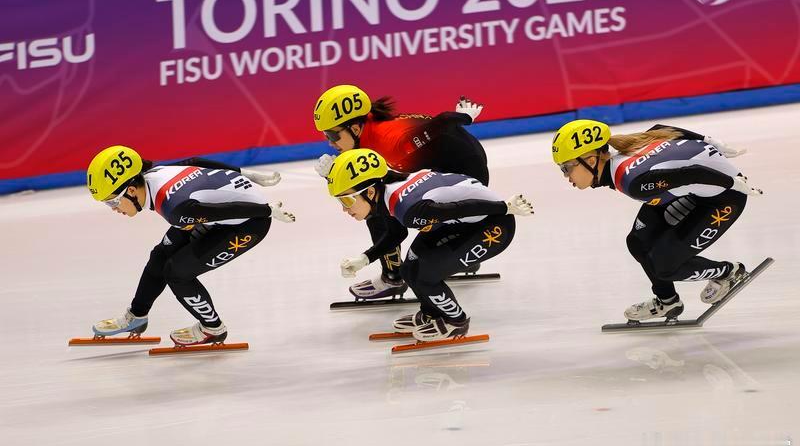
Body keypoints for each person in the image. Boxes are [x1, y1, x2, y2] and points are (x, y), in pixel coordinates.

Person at [551, 120, 761, 321]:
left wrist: (732, 183)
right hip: (694, 191)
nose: (565, 175)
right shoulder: (627, 153)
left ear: (590, 160)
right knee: (638, 241)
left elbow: (692, 173)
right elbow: (661, 128)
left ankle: (730, 272)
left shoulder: (633, 182)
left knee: (665, 267)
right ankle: (667, 301)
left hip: (724, 197)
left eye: (566, 167)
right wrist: (709, 140)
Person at [86, 145, 295, 345]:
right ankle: (137, 316)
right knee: (160, 255)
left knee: (176, 272)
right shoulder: (155, 173)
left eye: (112, 202)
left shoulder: (174, 208)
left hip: (249, 222)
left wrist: (265, 210)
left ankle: (212, 329)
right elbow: (195, 162)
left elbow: (223, 212)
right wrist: (245, 173)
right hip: (213, 209)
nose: (113, 208)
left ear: (131, 190)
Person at [326, 148, 533, 341]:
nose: (345, 210)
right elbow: (395, 234)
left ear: (369, 192)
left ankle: (456, 321)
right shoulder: (389, 192)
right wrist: (364, 259)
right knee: (409, 268)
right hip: (464, 222)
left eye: (347, 201)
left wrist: (503, 207)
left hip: (494, 225)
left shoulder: (408, 208)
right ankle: (431, 313)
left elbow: (457, 209)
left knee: (426, 275)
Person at [312, 84, 490, 300]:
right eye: (325, 136)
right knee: (378, 200)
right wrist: (332, 172)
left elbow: (440, 123)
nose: (330, 143)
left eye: (333, 135)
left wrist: (463, 117)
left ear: (355, 129)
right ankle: (452, 244)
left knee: (377, 209)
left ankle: (398, 274)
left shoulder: (390, 141)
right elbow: (362, 181)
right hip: (446, 164)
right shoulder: (367, 132)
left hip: (466, 170)